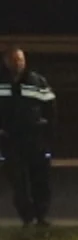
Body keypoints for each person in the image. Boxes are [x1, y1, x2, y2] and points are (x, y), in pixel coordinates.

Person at [1, 47, 56, 227]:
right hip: (10, 140)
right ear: (6, 62)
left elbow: (51, 108)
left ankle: (41, 216)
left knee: (40, 179)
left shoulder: (37, 81)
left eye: (21, 59)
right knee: (18, 183)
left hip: (36, 138)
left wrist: (48, 131)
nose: (19, 63)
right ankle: (27, 217)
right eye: (15, 60)